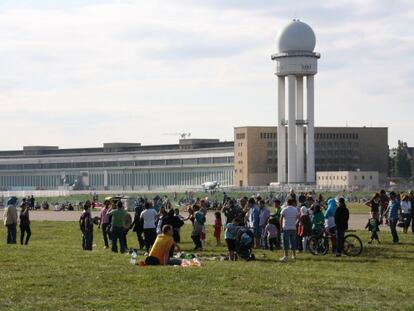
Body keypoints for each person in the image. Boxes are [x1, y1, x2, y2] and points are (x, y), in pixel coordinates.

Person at [279, 197, 299, 262]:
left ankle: (286, 256)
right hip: (293, 228)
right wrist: (296, 223)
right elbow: (299, 217)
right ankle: (294, 255)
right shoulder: (295, 209)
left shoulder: (284, 209)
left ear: (287, 203)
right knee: (293, 242)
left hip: (286, 228)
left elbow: (281, 218)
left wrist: (281, 226)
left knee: (286, 242)